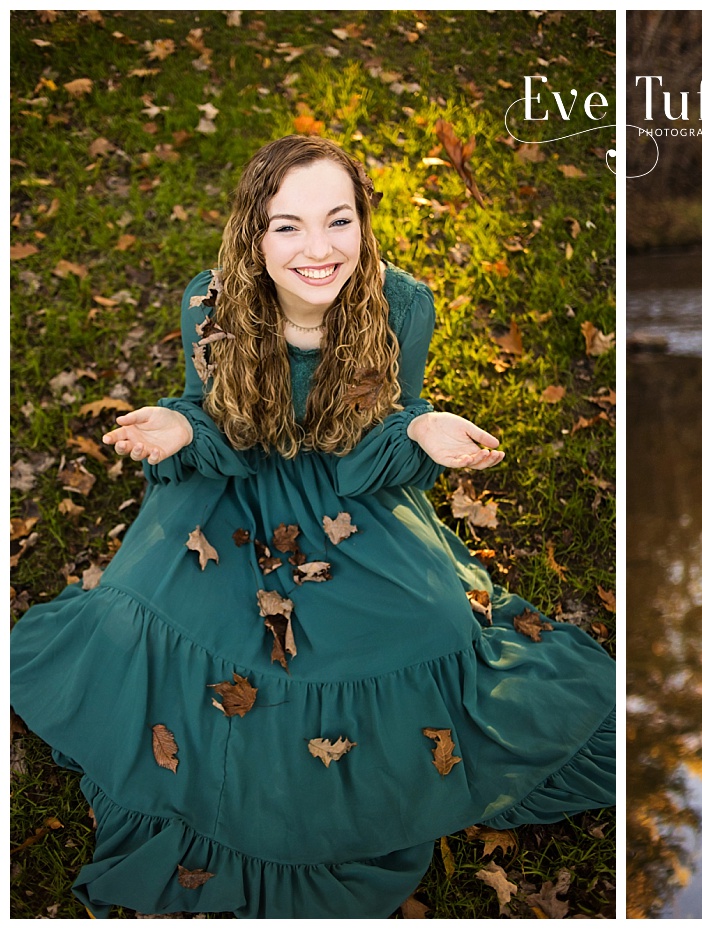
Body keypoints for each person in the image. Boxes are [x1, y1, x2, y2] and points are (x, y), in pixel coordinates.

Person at [8, 135, 614, 918]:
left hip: (347, 493)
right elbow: (214, 419)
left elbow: (381, 434)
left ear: (365, 223)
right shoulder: (211, 301)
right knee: (159, 611)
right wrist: (183, 430)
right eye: (287, 225)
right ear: (254, 236)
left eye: (339, 221)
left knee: (429, 622)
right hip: (233, 488)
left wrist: (420, 433)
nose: (319, 249)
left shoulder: (402, 306)